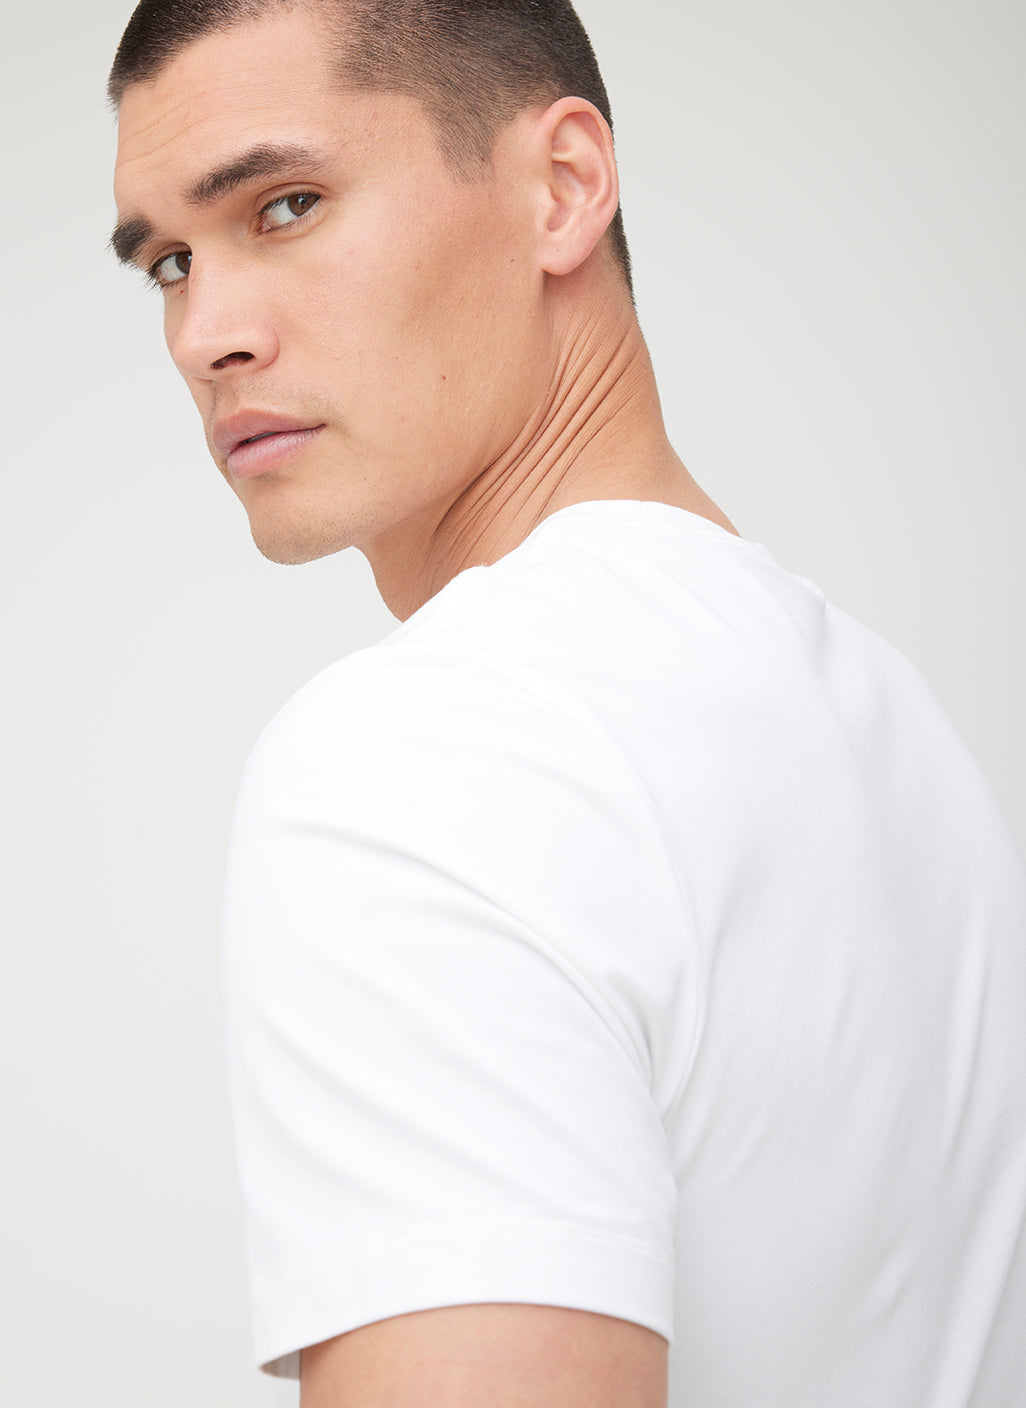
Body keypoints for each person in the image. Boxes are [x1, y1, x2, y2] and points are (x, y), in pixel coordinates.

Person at [108, 1, 1026, 1404]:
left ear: (562, 187)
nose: (204, 335)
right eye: (170, 262)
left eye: (285, 206)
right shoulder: (899, 736)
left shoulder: (422, 755)